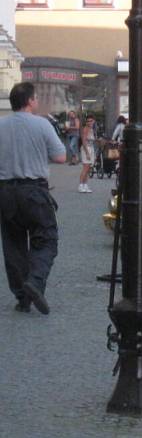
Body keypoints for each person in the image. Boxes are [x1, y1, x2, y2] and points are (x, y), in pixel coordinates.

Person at [0, 82, 66, 314]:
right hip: (35, 191)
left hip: (6, 191)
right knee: (46, 238)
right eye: (36, 98)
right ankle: (35, 282)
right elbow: (60, 156)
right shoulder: (42, 124)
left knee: (13, 244)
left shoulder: (1, 124)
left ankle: (22, 298)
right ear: (30, 101)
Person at [78, 114, 96, 193]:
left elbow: (91, 140)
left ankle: (85, 185)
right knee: (85, 168)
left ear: (94, 121)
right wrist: (87, 152)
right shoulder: (85, 129)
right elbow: (84, 141)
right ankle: (81, 185)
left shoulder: (92, 129)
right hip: (86, 149)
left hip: (91, 148)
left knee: (88, 169)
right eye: (88, 121)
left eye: (91, 121)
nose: (89, 122)